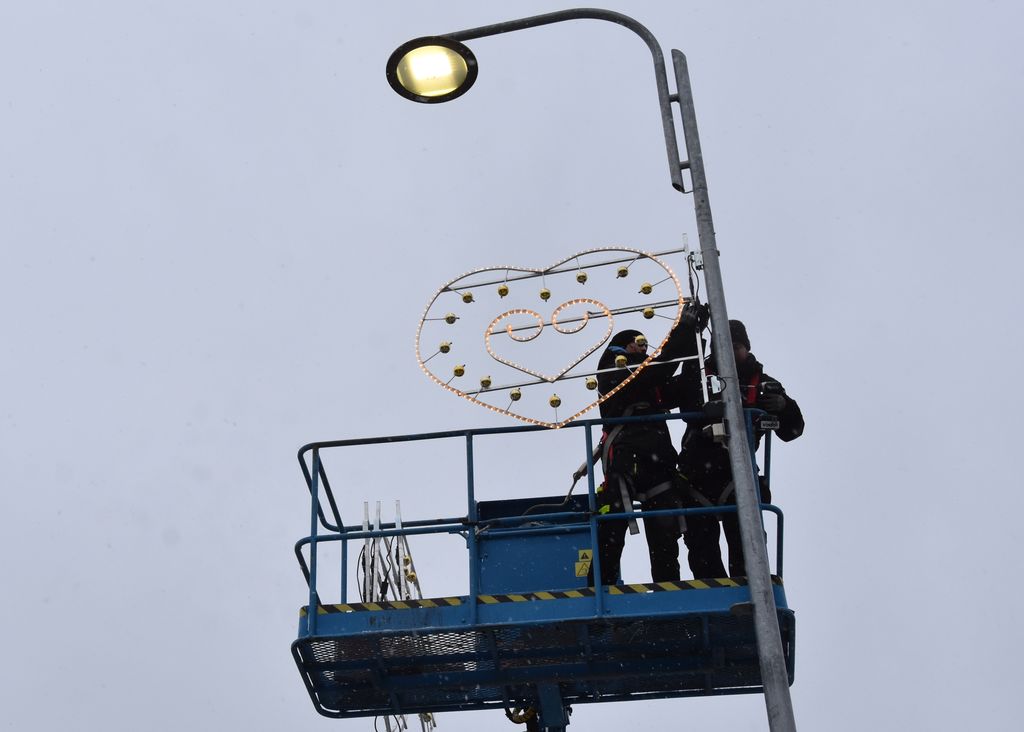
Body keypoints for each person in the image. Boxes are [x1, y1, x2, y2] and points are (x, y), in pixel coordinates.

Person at [674, 319, 804, 578]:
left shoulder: (762, 383)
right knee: (702, 550)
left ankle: (748, 586)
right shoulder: (698, 375)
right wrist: (690, 338)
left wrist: (783, 406)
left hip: (738, 475)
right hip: (697, 475)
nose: (729, 353)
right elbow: (679, 400)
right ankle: (714, 591)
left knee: (748, 548)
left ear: (746, 348)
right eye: (723, 346)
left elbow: (793, 430)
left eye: (735, 346)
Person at [590, 304, 705, 586]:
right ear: (622, 347)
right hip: (625, 456)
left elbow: (684, 385)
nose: (643, 348)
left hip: (657, 459)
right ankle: (598, 590)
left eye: (645, 344)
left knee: (664, 533)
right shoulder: (613, 372)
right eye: (638, 343)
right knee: (613, 525)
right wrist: (681, 331)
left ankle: (668, 592)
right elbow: (657, 370)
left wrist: (694, 341)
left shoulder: (650, 382)